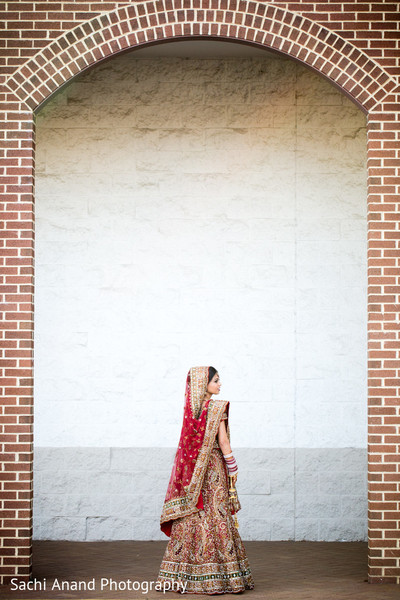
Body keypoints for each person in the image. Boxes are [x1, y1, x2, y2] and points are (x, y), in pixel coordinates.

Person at [157, 366, 254, 594]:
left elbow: (187, 449)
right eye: (216, 380)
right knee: (216, 515)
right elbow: (223, 443)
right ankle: (222, 577)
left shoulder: (191, 413)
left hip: (194, 475)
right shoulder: (217, 407)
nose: (220, 385)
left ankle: (182, 576)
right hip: (213, 471)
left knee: (193, 516)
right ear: (204, 384)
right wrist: (233, 467)